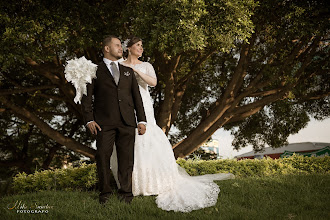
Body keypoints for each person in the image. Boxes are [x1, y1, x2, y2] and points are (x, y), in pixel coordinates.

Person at [110, 36, 234, 212]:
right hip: (125, 106)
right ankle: (130, 184)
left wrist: (135, 71)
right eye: (138, 46)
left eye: (142, 46)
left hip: (143, 104)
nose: (141, 48)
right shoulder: (119, 65)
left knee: (145, 139)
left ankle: (151, 183)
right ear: (128, 48)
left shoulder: (146, 66)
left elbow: (153, 82)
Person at [81, 35, 147, 204]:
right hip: (104, 123)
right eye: (117, 45)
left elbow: (136, 97)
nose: (121, 48)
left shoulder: (128, 71)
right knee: (103, 157)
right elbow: (87, 98)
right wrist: (89, 119)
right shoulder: (93, 70)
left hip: (127, 122)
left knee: (126, 159)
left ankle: (126, 195)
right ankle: (105, 194)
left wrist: (142, 120)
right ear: (107, 48)